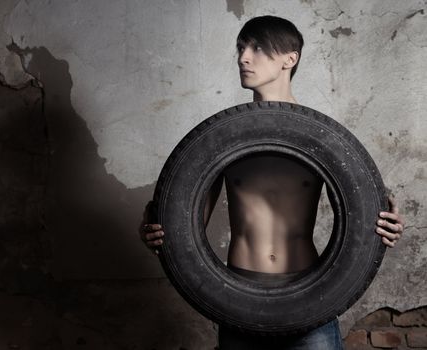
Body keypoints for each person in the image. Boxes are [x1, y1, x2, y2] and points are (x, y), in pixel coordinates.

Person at [140, 15, 405, 350]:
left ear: (289, 59)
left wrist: (384, 225)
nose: (243, 57)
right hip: (238, 297)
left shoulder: (323, 138)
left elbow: (363, 208)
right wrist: (156, 233)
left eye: (258, 48)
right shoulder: (221, 139)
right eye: (240, 48)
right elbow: (186, 226)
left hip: (312, 295)